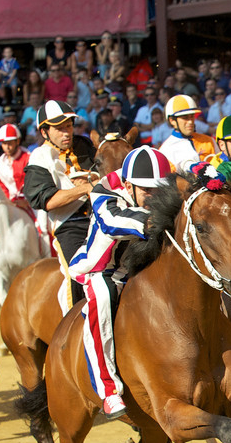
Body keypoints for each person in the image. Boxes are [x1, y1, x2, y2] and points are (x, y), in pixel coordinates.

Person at [69, 146, 171, 419]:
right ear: (128, 185)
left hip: (138, 269)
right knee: (102, 298)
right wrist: (152, 221)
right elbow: (111, 221)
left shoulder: (150, 188)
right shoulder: (103, 193)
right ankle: (108, 390)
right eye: (147, 191)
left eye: (159, 191)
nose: (154, 197)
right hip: (101, 271)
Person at [22, 100, 97, 308]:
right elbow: (48, 201)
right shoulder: (39, 157)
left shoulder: (85, 145)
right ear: (44, 132)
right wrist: (84, 188)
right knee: (76, 275)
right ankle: (70, 327)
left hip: (101, 217)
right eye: (60, 128)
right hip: (70, 225)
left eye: (69, 126)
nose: (67, 132)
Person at [159, 94, 217, 173]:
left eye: (192, 116)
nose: (190, 121)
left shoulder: (209, 141)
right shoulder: (165, 150)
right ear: (172, 120)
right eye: (185, 117)